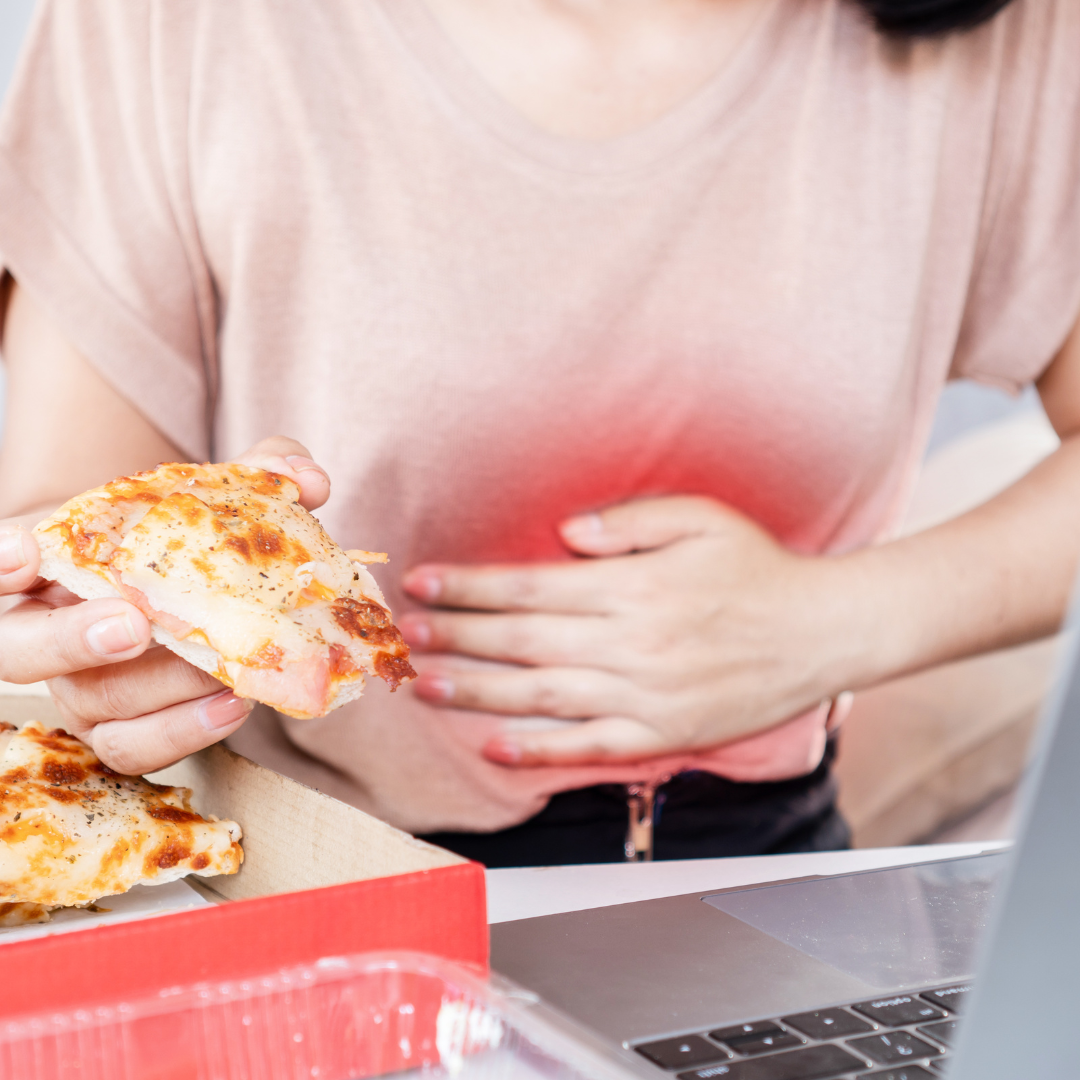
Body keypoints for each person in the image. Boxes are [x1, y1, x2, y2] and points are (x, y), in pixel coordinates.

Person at [0, 0, 1078, 867]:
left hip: (770, 866)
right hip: (324, 874)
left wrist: (844, 621)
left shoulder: (1016, 34)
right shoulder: (162, 23)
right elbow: (59, 515)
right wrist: (115, 650)